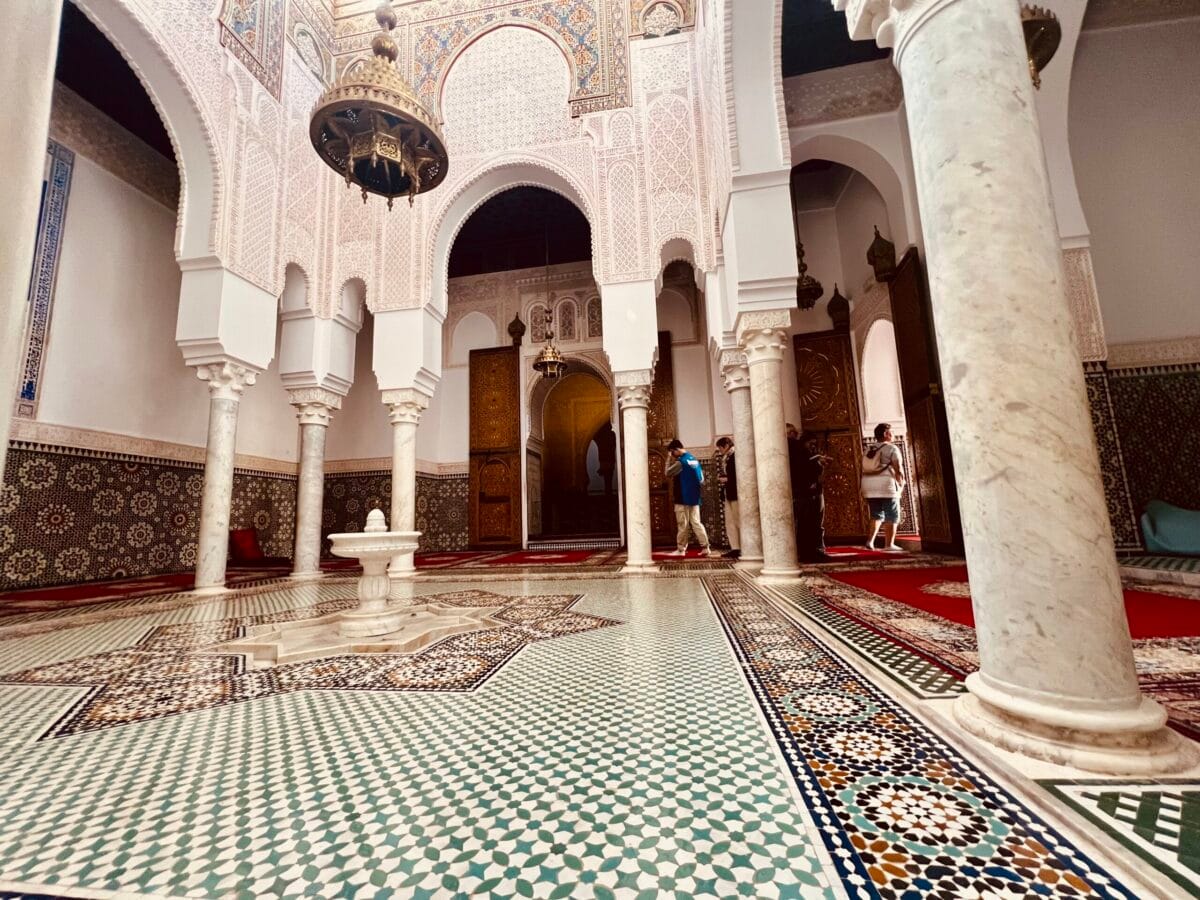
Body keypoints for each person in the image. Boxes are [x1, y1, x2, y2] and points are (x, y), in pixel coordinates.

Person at [665, 439, 718, 557]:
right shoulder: (694, 460)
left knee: (682, 524)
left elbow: (667, 473)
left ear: (676, 450)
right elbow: (702, 479)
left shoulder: (681, 462)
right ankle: (705, 547)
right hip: (694, 498)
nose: (672, 455)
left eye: (672, 453)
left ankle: (681, 549)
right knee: (696, 523)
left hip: (682, 497)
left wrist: (668, 459)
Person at [862, 422, 906, 551]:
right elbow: (898, 468)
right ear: (886, 434)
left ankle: (870, 542)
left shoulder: (869, 449)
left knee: (876, 515)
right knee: (892, 514)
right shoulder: (892, 448)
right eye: (891, 432)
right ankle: (889, 545)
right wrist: (901, 483)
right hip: (886, 486)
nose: (893, 435)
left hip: (869, 486)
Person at [789, 430, 830, 562]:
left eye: (815, 444)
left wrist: (821, 465)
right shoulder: (798, 455)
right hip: (803, 494)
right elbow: (800, 473)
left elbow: (819, 476)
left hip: (815, 493)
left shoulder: (812, 455)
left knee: (816, 523)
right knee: (805, 524)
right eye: (810, 443)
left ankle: (817, 549)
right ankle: (807, 552)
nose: (813, 446)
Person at [715, 436, 740, 559]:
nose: (720, 451)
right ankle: (735, 547)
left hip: (735, 494)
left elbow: (738, 475)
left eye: (720, 448)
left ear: (725, 445)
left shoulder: (735, 456)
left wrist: (726, 479)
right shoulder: (728, 457)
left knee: (738, 520)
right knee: (730, 522)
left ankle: (742, 547)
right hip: (729, 493)